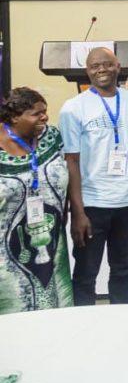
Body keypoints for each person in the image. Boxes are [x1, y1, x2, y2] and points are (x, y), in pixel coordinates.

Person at [59, 47, 128, 305]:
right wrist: (78, 212)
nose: (101, 70)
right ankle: (83, 334)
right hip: (93, 205)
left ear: (118, 66)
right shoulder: (73, 108)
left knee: (123, 271)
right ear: (87, 71)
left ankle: (122, 330)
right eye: (95, 66)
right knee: (86, 275)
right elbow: (71, 161)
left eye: (107, 64)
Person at [0, 87, 72, 313]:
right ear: (14, 117)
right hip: (7, 247)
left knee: (52, 296)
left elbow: (69, 169)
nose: (44, 117)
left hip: (50, 237)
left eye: (45, 111)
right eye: (36, 113)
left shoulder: (51, 137)